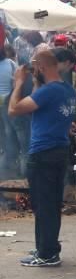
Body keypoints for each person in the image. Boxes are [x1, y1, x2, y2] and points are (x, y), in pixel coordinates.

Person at [9, 49, 76, 267]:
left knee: (43, 205)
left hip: (43, 154)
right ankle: (45, 247)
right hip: (59, 152)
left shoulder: (48, 92)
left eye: (34, 68)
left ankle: (47, 253)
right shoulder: (67, 90)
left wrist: (19, 83)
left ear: (40, 68)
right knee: (50, 203)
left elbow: (13, 109)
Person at [0, 45, 17, 179]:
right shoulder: (11, 64)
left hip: (6, 104)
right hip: (7, 103)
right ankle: (9, 163)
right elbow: (17, 82)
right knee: (8, 132)